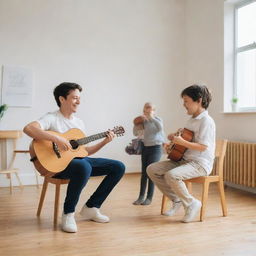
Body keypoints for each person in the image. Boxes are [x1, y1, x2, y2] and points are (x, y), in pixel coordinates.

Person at [23, 82, 125, 233]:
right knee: (83, 166)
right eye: (75, 98)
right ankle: (68, 214)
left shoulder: (79, 123)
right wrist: (57, 139)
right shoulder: (51, 118)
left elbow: (84, 152)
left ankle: (92, 207)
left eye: (79, 98)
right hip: (57, 167)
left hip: (78, 163)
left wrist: (104, 141)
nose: (79, 101)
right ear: (62, 99)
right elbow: (28, 128)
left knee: (118, 167)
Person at [147, 85, 215, 223]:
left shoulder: (206, 121)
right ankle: (177, 200)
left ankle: (191, 204)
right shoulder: (191, 120)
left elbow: (203, 147)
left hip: (200, 164)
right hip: (184, 160)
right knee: (152, 169)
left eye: (186, 101)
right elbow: (186, 139)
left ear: (199, 101)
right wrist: (174, 141)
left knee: (172, 175)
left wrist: (182, 142)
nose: (184, 105)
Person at [133, 102, 165, 205]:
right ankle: (141, 196)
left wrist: (151, 117)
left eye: (150, 108)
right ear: (143, 110)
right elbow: (135, 133)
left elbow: (160, 128)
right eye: (146, 108)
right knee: (144, 173)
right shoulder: (143, 121)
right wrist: (136, 124)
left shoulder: (158, 120)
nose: (148, 110)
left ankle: (149, 197)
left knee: (151, 172)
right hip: (145, 148)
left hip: (156, 148)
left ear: (154, 111)